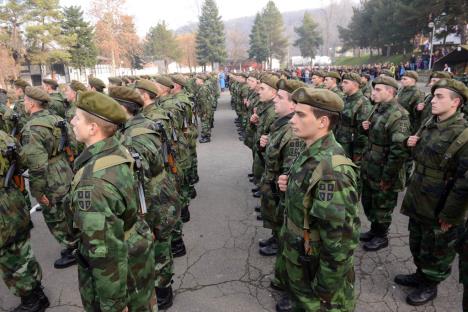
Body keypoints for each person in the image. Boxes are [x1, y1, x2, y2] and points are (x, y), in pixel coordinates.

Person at [69, 91, 156, 311]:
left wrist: (115, 305)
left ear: (92, 128)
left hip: (121, 267)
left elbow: (104, 252)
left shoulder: (93, 183)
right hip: (134, 251)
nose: (72, 121)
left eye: (77, 117)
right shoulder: (117, 149)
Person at [275, 87, 360, 312]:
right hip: (300, 258)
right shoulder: (311, 150)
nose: (292, 120)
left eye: (301, 115)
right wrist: (290, 182)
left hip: (315, 268)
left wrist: (325, 289)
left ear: (322, 122)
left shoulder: (333, 170)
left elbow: (339, 240)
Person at [397, 79, 468, 306]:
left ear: (456, 102)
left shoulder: (463, 134)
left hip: (442, 200)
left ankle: (430, 283)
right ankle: (421, 274)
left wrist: (451, 215)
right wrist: (411, 144)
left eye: (440, 97)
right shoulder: (430, 122)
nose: (433, 100)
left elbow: (463, 182)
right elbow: (420, 154)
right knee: (418, 240)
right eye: (433, 95)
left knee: (438, 248)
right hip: (420, 193)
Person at [109, 86, 178, 310]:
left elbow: (139, 176)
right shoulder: (140, 124)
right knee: (160, 242)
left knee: (158, 245)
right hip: (157, 193)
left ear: (122, 108)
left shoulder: (134, 136)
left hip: (153, 198)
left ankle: (163, 290)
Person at [19, 86, 77, 268]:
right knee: (69, 211)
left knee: (54, 217)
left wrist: (37, 191)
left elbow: (37, 166)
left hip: (49, 176)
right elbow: (74, 145)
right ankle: (76, 244)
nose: (23, 104)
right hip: (64, 169)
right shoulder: (58, 119)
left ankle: (73, 248)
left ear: (31, 103)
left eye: (25, 101)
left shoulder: (32, 128)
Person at [0, 130, 50, 312]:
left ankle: (31, 301)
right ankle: (37, 294)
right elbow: (22, 162)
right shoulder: (4, 136)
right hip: (13, 196)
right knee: (22, 249)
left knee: (9, 258)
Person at [360, 76, 411, 251]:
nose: (373, 92)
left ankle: (382, 236)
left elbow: (398, 151)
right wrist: (364, 128)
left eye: (378, 89)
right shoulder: (377, 109)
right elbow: (374, 136)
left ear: (391, 91)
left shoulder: (399, 115)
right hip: (371, 165)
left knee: (382, 203)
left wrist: (387, 177)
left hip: (384, 169)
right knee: (369, 200)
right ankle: (375, 230)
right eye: (374, 89)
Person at [335, 72, 372, 163]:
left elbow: (363, 132)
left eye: (346, 82)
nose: (342, 85)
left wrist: (358, 153)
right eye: (342, 82)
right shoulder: (344, 99)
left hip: (351, 147)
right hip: (339, 142)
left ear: (355, 84)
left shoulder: (363, 103)